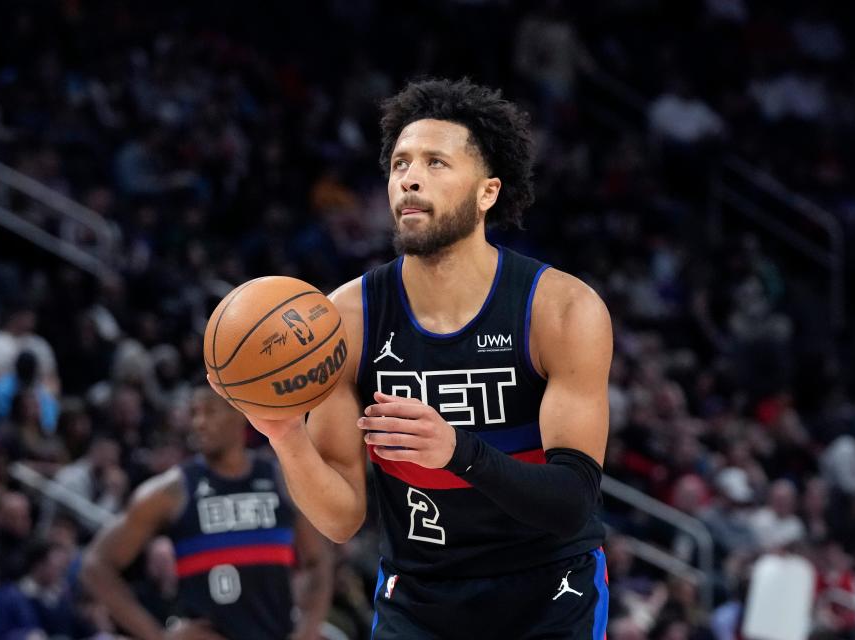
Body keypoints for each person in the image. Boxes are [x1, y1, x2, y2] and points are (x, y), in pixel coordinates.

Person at [209, 78, 613, 638]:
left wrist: (459, 452)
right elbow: (342, 518)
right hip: (420, 597)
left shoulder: (562, 309)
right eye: (400, 163)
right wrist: (284, 436)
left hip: (548, 592)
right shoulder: (343, 318)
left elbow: (573, 503)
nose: (410, 178)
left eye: (436, 162)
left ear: (487, 192)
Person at [81, 387, 334, 640]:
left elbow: (318, 560)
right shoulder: (171, 490)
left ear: (240, 413)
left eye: (210, 412)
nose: (199, 423)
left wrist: (307, 629)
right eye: (194, 413)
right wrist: (158, 636)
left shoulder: (281, 479)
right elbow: (96, 565)